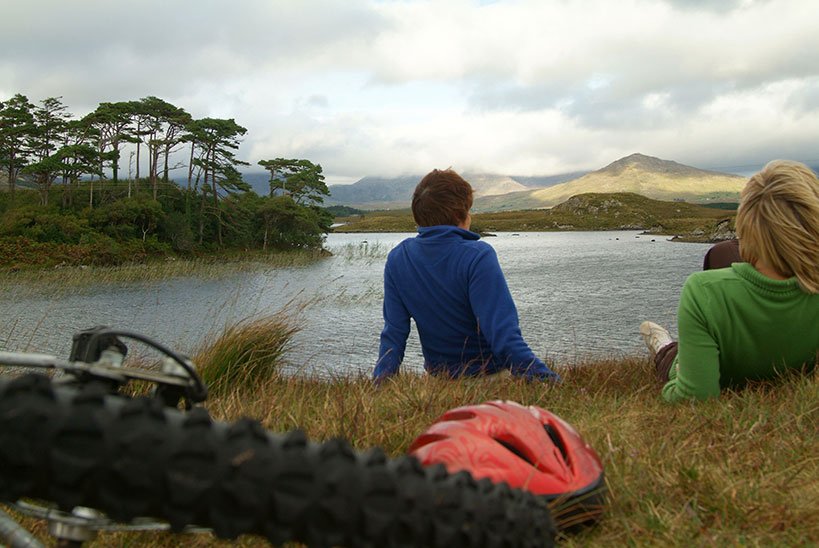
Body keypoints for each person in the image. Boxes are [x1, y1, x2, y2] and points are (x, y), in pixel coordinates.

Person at [640, 160, 819, 402]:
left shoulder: (702, 291)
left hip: (702, 360)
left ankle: (663, 345)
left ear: (745, 224)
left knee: (672, 357)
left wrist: (675, 383)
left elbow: (694, 396)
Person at [374, 168, 560, 384]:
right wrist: (548, 381)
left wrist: (380, 386)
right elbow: (504, 337)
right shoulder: (479, 255)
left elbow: (394, 334)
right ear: (460, 214)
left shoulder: (398, 257)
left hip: (437, 385)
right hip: (490, 381)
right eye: (469, 209)